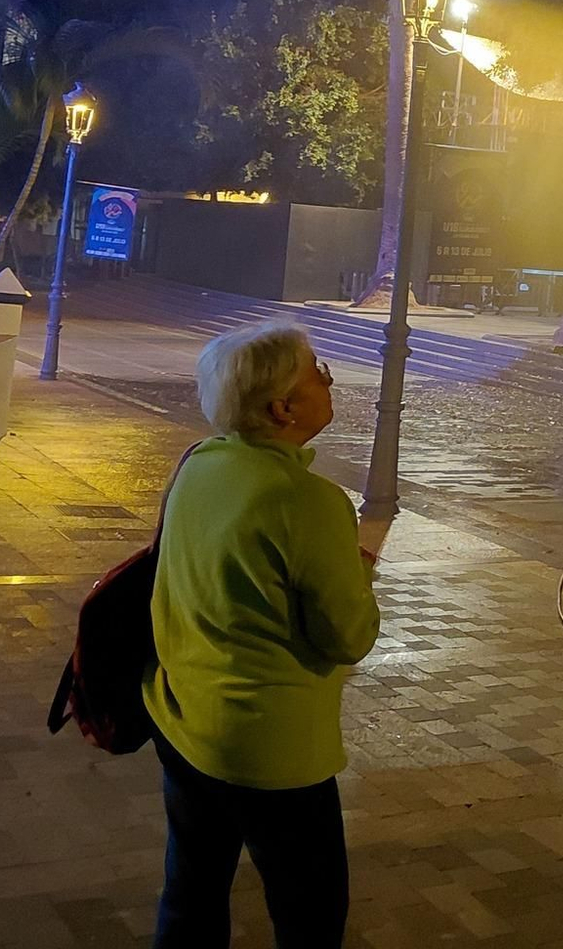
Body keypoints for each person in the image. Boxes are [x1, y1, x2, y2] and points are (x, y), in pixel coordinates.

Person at [145, 322, 380, 946]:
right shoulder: (309, 502)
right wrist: (359, 568)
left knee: (190, 894)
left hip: (184, 720)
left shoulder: (201, 462)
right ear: (283, 408)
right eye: (318, 374)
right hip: (271, 752)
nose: (329, 382)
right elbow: (348, 637)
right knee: (310, 916)